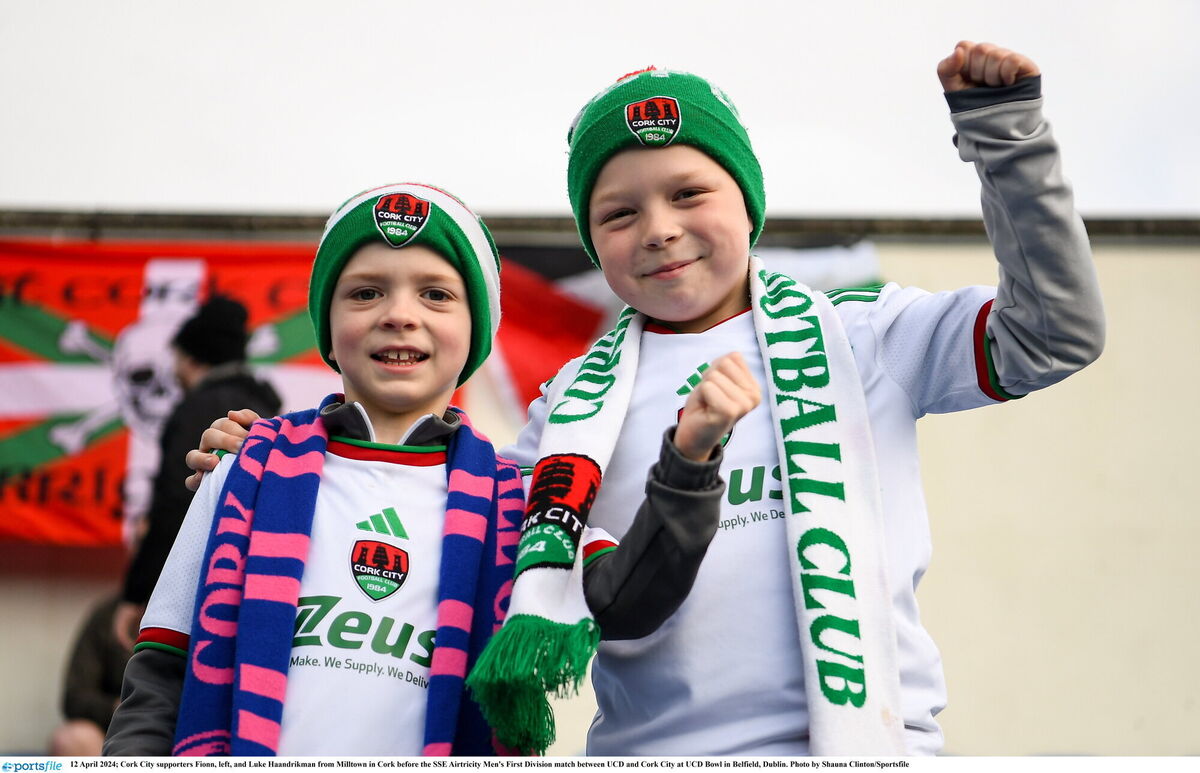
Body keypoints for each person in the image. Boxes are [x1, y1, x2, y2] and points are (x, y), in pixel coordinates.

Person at [183, 42, 1105, 756]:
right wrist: (277, 463)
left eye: (688, 192)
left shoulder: (864, 333)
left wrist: (1007, 137)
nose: (659, 230)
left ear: (748, 202)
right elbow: (425, 522)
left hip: (873, 749)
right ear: (594, 242)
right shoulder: (565, 414)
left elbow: (1052, 334)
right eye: (619, 213)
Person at [103, 183, 527, 756]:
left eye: (435, 295)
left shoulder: (520, 507)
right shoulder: (241, 471)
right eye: (366, 292)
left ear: (477, 328)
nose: (400, 315)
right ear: (326, 325)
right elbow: (159, 676)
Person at [112, 295, 282, 650]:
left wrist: (138, 593)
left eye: (175, 359)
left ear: (192, 358)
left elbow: (176, 504)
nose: (172, 372)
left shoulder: (197, 408)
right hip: (251, 587)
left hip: (196, 595)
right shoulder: (270, 415)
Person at [50, 595, 132, 755]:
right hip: (115, 726)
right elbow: (75, 698)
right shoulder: (109, 614)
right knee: (73, 738)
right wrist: (121, 707)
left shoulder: (189, 614)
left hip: (172, 726)